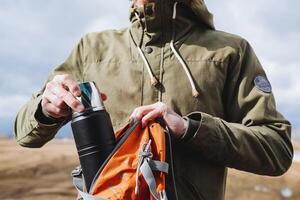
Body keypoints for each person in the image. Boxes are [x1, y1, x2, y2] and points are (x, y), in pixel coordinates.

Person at [14, 0, 293, 199]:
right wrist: (45, 110)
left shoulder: (230, 51)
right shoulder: (92, 48)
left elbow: (276, 149)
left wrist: (190, 129)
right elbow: (25, 134)